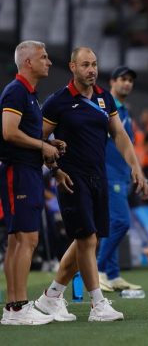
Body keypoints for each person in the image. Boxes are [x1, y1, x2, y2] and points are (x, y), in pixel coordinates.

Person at [36, 47, 148, 322]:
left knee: (90, 239)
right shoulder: (57, 102)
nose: (92, 70)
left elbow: (119, 135)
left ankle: (51, 296)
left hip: (99, 176)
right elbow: (38, 140)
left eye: (95, 64)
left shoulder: (103, 97)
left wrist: (136, 167)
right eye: (86, 65)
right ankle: (97, 304)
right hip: (72, 178)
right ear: (72, 67)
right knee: (86, 239)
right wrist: (55, 169)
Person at [1, 41, 58, 325]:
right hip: (18, 171)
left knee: (16, 241)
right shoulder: (16, 91)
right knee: (27, 239)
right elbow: (9, 132)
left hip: (27, 170)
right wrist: (42, 146)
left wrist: (47, 144)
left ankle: (12, 308)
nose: (48, 62)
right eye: (43, 57)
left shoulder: (30, 94)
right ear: (27, 62)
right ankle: (19, 307)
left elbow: (22, 132)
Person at [97, 66, 143, 293]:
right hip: (108, 173)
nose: (127, 84)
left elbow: (129, 146)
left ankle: (112, 275)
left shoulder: (125, 111)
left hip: (122, 174)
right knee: (120, 222)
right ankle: (97, 269)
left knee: (111, 223)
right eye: (122, 79)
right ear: (112, 82)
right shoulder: (104, 107)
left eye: (130, 81)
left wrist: (136, 171)